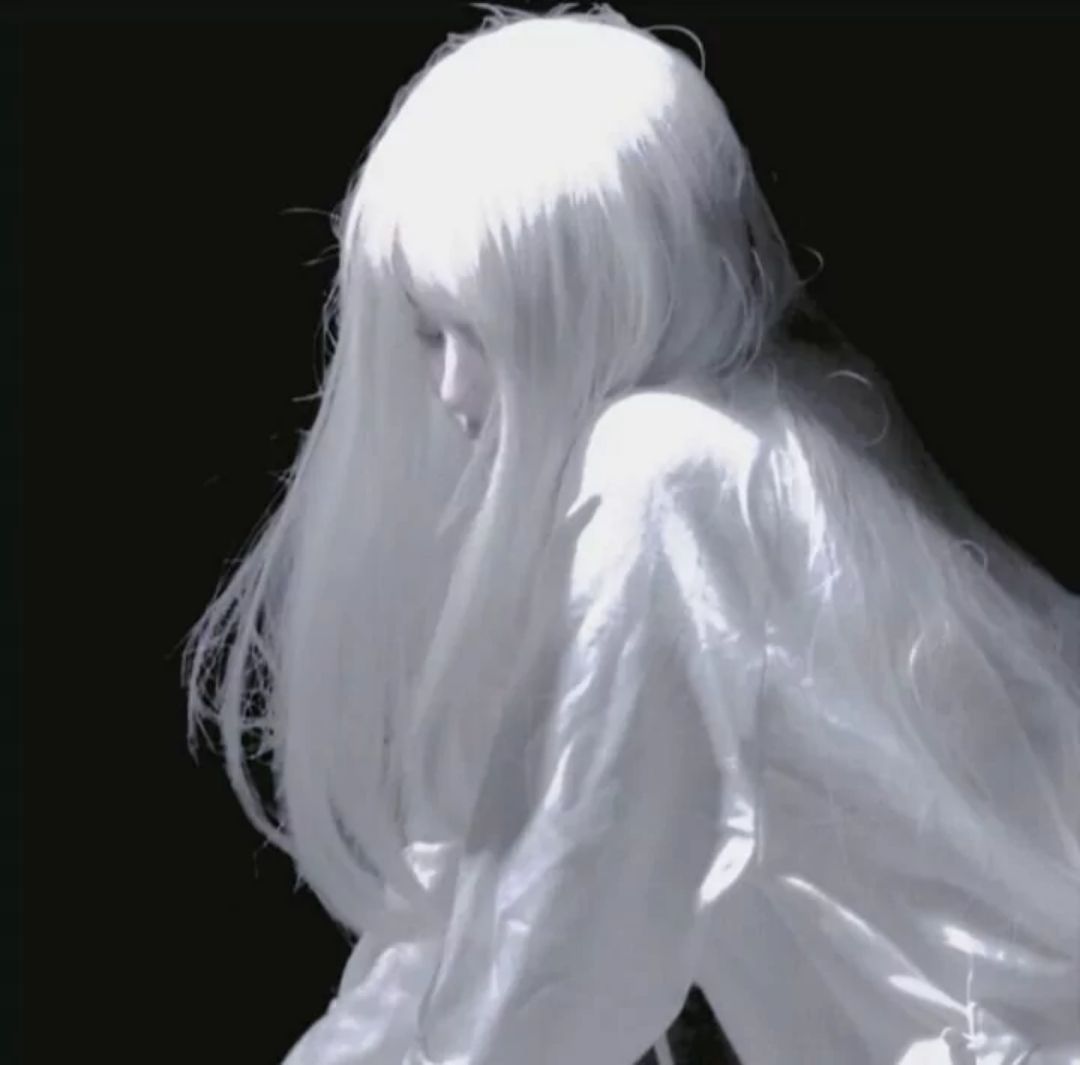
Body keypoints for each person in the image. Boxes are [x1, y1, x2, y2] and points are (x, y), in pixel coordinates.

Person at [181, 5, 1080, 1063]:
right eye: (431, 333)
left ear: (608, 301)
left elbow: (541, 963)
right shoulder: (774, 432)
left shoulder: (664, 476)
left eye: (490, 334)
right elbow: (477, 924)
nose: (455, 390)